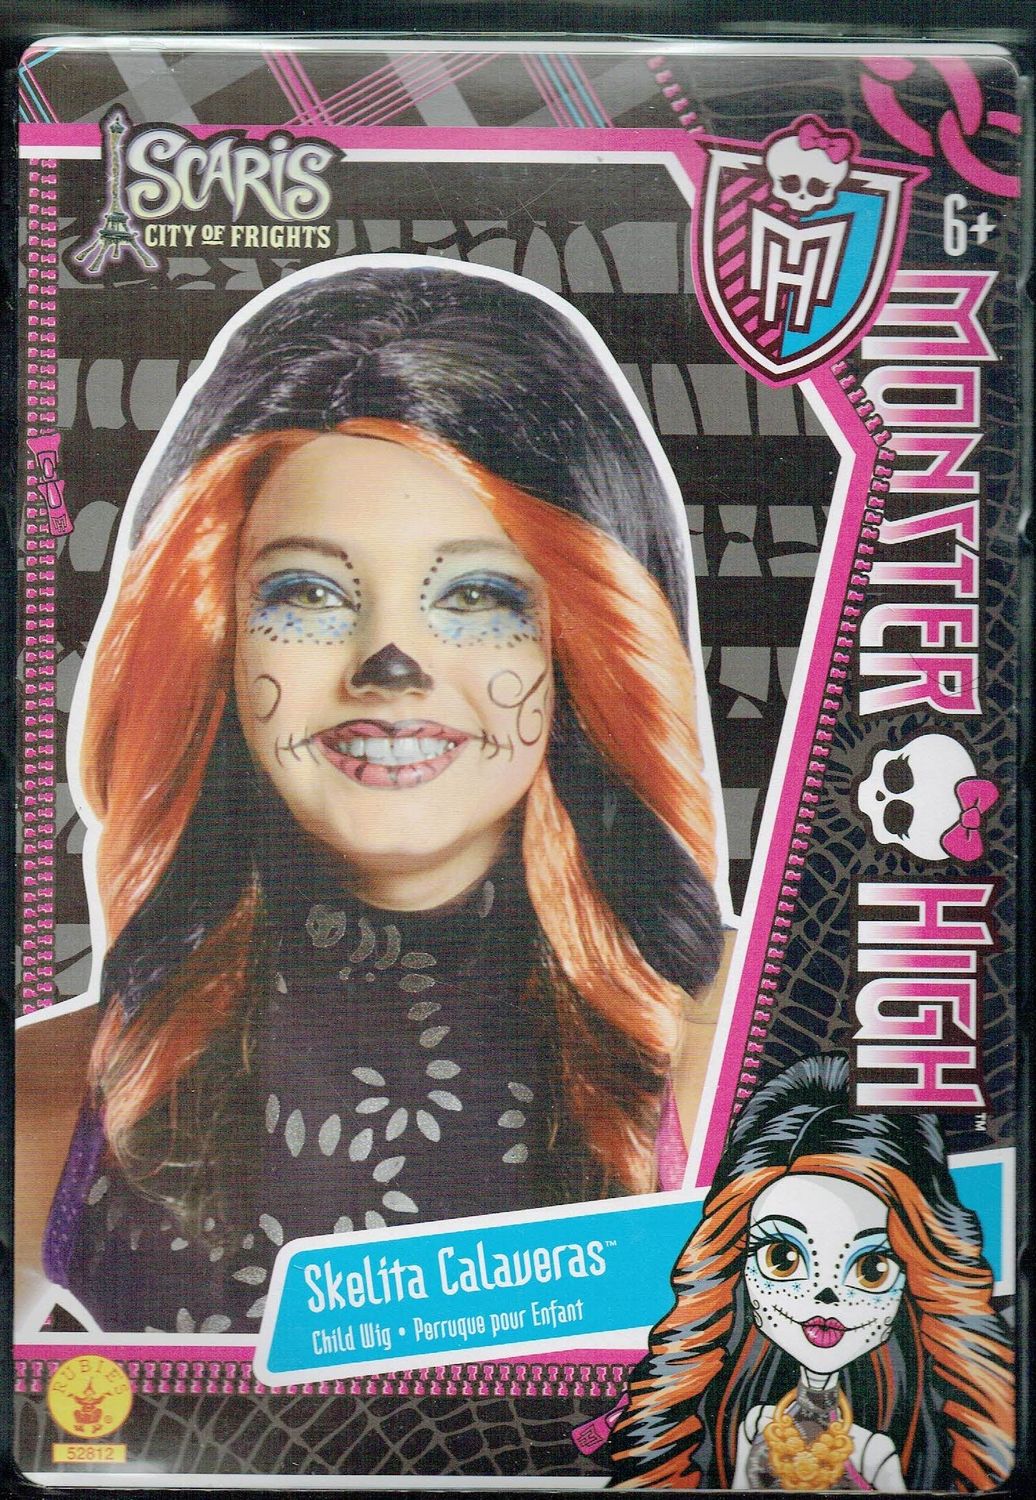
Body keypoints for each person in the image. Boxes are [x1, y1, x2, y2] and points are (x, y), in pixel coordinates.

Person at [16, 257, 729, 1335]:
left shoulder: (763, 1056)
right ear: (211, 634)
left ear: (586, 637)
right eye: (307, 591)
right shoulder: (47, 1105)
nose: (390, 663)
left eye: (478, 594)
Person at [607, 1054, 1014, 1491]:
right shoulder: (747, 1422)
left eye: (872, 1269)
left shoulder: (881, 1448)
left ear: (917, 1274)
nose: (825, 1296)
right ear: (734, 1261)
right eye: (782, 1258)